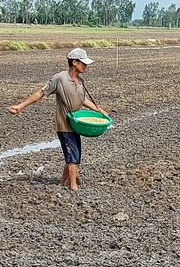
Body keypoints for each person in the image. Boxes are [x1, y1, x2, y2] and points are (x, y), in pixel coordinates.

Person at [8, 48, 109, 191]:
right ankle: (73, 187)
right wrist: (20, 106)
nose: (85, 66)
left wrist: (98, 109)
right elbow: (41, 93)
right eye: (83, 63)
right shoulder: (60, 78)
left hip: (77, 124)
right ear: (74, 62)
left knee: (74, 154)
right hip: (64, 125)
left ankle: (63, 182)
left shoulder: (81, 80)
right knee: (73, 155)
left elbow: (83, 99)